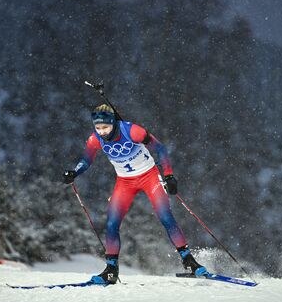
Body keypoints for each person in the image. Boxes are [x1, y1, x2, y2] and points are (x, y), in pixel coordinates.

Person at [63, 104, 206, 284]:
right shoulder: (95, 139)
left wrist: (168, 175)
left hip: (150, 176)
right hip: (125, 182)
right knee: (112, 223)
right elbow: (86, 159)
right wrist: (74, 172)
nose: (102, 132)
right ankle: (111, 271)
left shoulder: (132, 131)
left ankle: (190, 262)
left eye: (105, 127)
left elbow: (160, 148)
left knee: (165, 217)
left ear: (113, 123)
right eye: (98, 128)